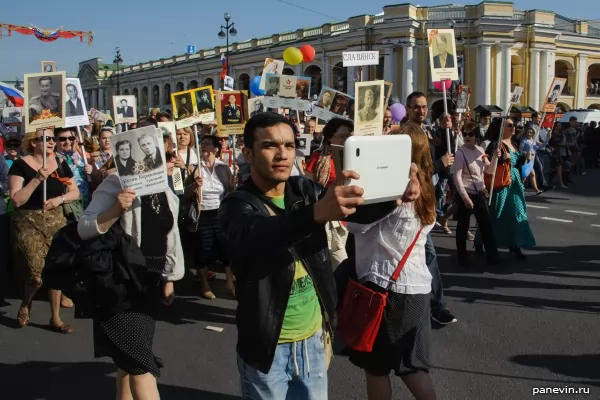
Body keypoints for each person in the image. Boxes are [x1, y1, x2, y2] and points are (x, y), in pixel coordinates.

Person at [218, 112, 421, 399]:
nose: (282, 154)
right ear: (248, 154)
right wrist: (315, 214)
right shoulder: (236, 206)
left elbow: (355, 210)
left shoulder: (305, 190)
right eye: (270, 146)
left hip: (313, 342)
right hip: (268, 346)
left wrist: (395, 196)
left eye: (289, 145)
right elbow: (260, 235)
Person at [77, 127, 184, 399]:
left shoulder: (166, 190)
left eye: (170, 155)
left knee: (127, 362)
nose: (170, 161)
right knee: (140, 363)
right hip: (119, 282)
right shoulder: (115, 183)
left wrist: (170, 278)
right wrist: (117, 208)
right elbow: (85, 227)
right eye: (166, 155)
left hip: (150, 279)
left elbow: (171, 235)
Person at [347, 122, 437, 400]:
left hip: (386, 285)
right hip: (416, 287)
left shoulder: (393, 188)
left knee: (379, 368)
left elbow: (353, 226)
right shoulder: (425, 185)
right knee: (411, 364)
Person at [9, 128, 80, 332]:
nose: (51, 142)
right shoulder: (20, 165)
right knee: (36, 272)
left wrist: (59, 199)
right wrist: (37, 179)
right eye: (46, 139)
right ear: (33, 142)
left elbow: (74, 191)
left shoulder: (59, 163)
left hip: (54, 220)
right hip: (28, 220)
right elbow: (16, 199)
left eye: (53, 139)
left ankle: (55, 318)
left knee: (55, 268)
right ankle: (26, 302)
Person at [405, 91, 457, 326]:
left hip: (427, 202)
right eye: (416, 107)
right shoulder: (404, 135)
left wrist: (448, 134)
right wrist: (439, 164)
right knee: (427, 255)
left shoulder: (429, 132)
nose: (421, 111)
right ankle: (437, 306)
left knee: (422, 256)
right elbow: (410, 172)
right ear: (407, 109)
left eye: (424, 107)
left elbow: (447, 165)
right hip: (411, 203)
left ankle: (427, 306)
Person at [477, 118, 536, 259]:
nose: (513, 127)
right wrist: (501, 158)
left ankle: (515, 246)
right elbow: (487, 166)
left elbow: (517, 163)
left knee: (517, 214)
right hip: (502, 184)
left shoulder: (514, 143)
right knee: (496, 214)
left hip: (514, 183)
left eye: (514, 125)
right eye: (510, 125)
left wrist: (524, 157)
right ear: (501, 128)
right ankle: (480, 240)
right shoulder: (495, 145)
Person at [452, 121, 499, 267]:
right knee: (463, 227)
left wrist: (496, 157)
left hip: (479, 193)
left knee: (486, 225)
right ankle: (462, 257)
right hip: (466, 193)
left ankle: (492, 256)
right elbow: (457, 177)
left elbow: (489, 171)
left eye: (470, 134)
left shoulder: (480, 150)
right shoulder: (460, 153)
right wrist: (465, 197)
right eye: (464, 134)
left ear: (476, 135)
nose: (467, 137)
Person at [195, 135, 235, 299]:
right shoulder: (196, 166)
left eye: (207, 144)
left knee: (226, 248)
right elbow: (187, 193)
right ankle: (204, 284)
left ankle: (230, 283)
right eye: (202, 144)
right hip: (202, 213)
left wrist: (233, 182)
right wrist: (193, 185)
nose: (203, 147)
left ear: (216, 149)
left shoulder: (223, 167)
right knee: (204, 249)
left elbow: (230, 190)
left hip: (221, 212)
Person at [55, 127, 93, 208]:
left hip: (87, 202)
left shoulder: (84, 155)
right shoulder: (53, 159)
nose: (67, 142)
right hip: (70, 205)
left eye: (71, 138)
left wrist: (92, 171)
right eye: (62, 139)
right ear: (56, 141)